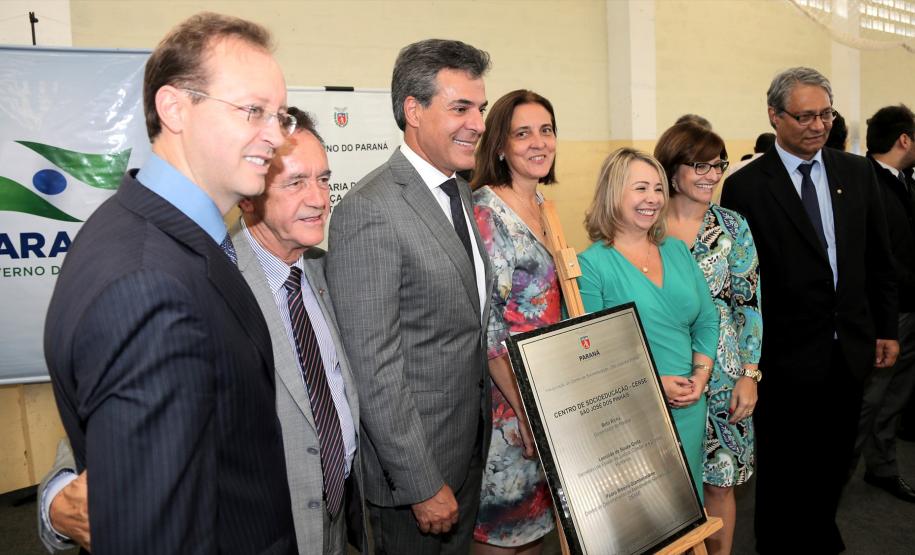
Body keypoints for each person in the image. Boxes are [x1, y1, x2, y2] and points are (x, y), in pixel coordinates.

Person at [38, 109, 368, 555]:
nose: (318, 199)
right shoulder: (206, 281)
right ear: (249, 196)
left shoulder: (327, 271)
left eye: (324, 180)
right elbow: (118, 406)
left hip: (334, 521)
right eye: (295, 183)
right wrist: (58, 497)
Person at [41, 12, 298, 554]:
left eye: (281, 116)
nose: (276, 136)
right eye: (254, 111)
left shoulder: (152, 232)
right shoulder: (146, 284)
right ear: (174, 107)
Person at [720, 67, 898, 554]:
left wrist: (886, 327)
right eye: (804, 116)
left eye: (826, 114)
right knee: (784, 463)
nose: (818, 125)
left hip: (849, 346)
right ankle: (777, 542)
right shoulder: (747, 187)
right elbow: (743, 284)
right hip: (782, 356)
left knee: (836, 456)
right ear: (775, 116)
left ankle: (820, 532)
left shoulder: (857, 173)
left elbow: (879, 259)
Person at [325, 39, 493, 555]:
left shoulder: (458, 191)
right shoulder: (370, 210)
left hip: (465, 449)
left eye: (480, 108)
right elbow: (373, 366)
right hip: (413, 481)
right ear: (413, 111)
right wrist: (420, 482)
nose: (479, 123)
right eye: (460, 107)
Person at [577, 147, 719, 500]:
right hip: (630, 409)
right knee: (643, 518)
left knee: (686, 509)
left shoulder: (676, 250)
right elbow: (588, 353)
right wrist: (653, 383)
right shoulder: (591, 265)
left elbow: (706, 319)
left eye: (658, 189)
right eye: (640, 188)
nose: (653, 199)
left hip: (688, 403)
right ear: (613, 193)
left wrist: (700, 375)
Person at [655, 122, 762, 555]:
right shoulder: (646, 222)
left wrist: (750, 374)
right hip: (661, 372)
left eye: (718, 165)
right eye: (699, 165)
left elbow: (749, 303)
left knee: (719, 485)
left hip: (723, 379)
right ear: (672, 167)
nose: (712, 175)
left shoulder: (733, 226)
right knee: (664, 492)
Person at [469, 90, 559, 554]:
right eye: (522, 133)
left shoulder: (544, 206)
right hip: (510, 406)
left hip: (547, 397)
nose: (538, 142)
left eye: (546, 130)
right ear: (500, 145)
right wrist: (526, 413)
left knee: (538, 532)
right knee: (504, 534)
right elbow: (489, 332)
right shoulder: (487, 213)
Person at [854, 104, 915, 503]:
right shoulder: (862, 180)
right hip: (884, 315)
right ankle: (830, 480)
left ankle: (883, 466)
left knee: (895, 397)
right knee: (867, 400)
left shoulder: (902, 179)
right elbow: (874, 258)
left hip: (909, 307)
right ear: (904, 140)